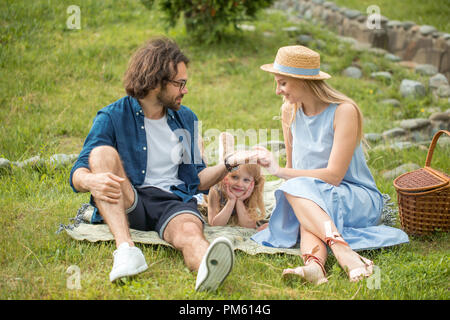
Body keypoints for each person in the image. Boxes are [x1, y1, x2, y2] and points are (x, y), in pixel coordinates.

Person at [69, 37, 255, 291]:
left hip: (172, 201)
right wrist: (90, 180)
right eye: (180, 84)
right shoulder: (112, 116)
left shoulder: (186, 118)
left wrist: (228, 163)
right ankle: (126, 250)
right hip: (129, 197)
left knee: (190, 233)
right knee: (101, 154)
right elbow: (78, 171)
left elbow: (196, 179)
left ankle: (207, 269)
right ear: (157, 82)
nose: (185, 90)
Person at [251, 45, 409, 285]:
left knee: (302, 195)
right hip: (312, 196)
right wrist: (279, 217)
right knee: (303, 199)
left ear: (302, 81)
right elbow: (294, 171)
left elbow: (334, 176)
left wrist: (277, 170)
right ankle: (314, 266)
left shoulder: (344, 111)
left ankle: (342, 250)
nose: (277, 91)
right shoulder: (289, 111)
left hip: (355, 197)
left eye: (282, 83)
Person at [206, 133, 266, 229]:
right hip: (224, 174)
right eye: (235, 177)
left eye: (246, 180)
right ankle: (226, 147)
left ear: (252, 183)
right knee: (222, 164)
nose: (239, 184)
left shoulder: (251, 192)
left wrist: (239, 201)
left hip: (235, 171)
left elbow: (249, 226)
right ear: (226, 177)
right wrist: (231, 201)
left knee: (231, 162)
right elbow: (214, 224)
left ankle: (228, 152)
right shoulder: (215, 190)